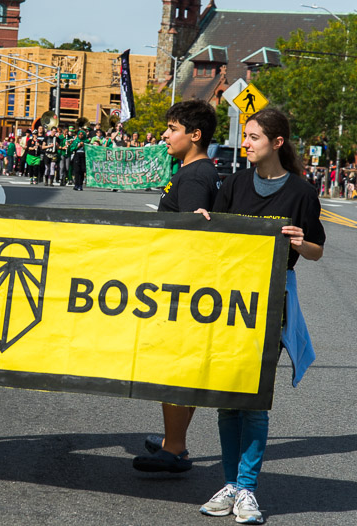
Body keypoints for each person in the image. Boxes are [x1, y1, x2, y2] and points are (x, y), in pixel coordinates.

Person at [196, 108, 325, 524]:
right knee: (227, 398)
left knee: (253, 400)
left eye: (253, 137)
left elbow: (316, 249)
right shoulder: (233, 183)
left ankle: (247, 488)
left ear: (277, 142)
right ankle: (230, 483)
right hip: (228, 303)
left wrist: (302, 242)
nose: (246, 143)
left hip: (270, 305)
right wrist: (200, 223)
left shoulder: (302, 192)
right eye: (247, 136)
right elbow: (217, 238)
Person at [132, 100, 220, 474]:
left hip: (180, 288)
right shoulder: (195, 170)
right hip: (185, 286)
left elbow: (192, 237)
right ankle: (174, 442)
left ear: (195, 135)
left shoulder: (196, 176)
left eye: (173, 129)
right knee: (181, 369)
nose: (166, 135)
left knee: (174, 369)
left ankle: (175, 448)